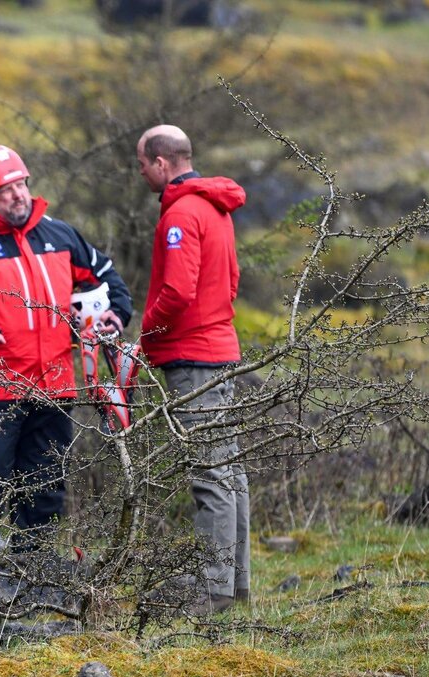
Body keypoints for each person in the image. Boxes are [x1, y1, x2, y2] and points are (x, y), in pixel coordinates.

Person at [0, 144, 133, 575]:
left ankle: (30, 577)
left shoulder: (58, 234)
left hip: (55, 383)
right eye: (7, 190)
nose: (19, 196)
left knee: (45, 486)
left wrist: (116, 313)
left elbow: (106, 276)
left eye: (22, 185)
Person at [135, 124, 250, 614]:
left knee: (210, 474)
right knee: (230, 469)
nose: (140, 173)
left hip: (194, 356)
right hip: (220, 348)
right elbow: (231, 282)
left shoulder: (181, 213)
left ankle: (213, 591)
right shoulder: (216, 209)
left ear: (161, 163)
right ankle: (236, 584)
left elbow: (178, 292)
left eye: (142, 164)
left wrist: (145, 337)